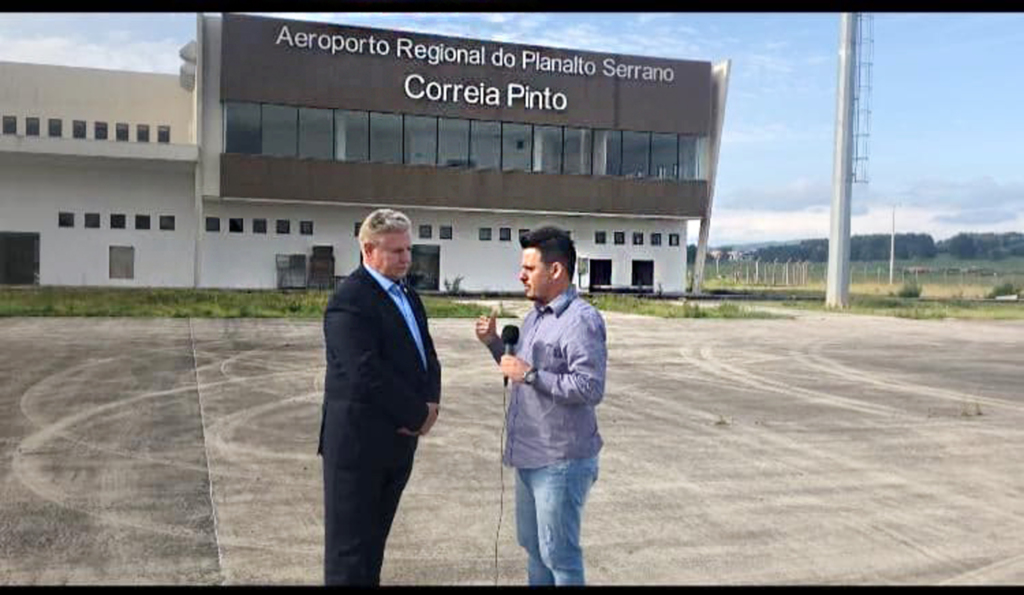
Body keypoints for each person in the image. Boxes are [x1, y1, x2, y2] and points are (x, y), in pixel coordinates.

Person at [474, 226, 607, 586]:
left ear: (556, 271)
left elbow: (590, 387)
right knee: (534, 549)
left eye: (529, 269)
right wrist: (493, 344)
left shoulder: (580, 321)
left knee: (559, 557)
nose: (521, 275)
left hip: (561, 461)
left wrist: (532, 375)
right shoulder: (535, 315)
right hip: (528, 456)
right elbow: (515, 368)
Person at [318, 208, 442, 585]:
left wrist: (431, 401)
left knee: (372, 551)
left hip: (396, 445)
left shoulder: (406, 293)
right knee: (350, 556)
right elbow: (364, 373)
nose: (406, 258)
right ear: (368, 251)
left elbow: (427, 353)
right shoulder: (350, 300)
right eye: (396, 251)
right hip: (358, 449)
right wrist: (416, 415)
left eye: (408, 250)